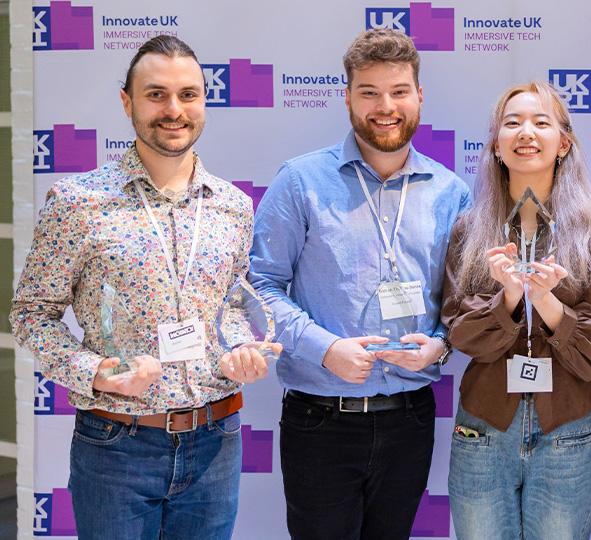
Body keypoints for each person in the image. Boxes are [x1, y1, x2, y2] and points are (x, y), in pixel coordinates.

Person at [10, 35, 274, 539]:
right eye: (156, 94)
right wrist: (95, 371)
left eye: (188, 95)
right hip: (117, 443)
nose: (174, 110)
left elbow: (233, 305)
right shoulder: (77, 203)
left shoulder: (234, 205)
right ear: (127, 102)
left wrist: (240, 345)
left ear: (204, 101)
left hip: (216, 441)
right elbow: (30, 316)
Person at [248, 29, 470, 540]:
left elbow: (464, 301)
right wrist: (325, 349)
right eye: (368, 92)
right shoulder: (300, 182)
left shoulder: (451, 193)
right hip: (319, 420)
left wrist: (439, 346)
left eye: (398, 91)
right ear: (347, 97)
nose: (384, 106)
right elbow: (259, 287)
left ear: (419, 97)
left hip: (411, 417)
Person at [440, 80, 591, 540]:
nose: (526, 132)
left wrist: (547, 301)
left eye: (541, 122)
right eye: (513, 123)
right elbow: (460, 333)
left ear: (564, 143)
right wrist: (506, 298)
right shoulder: (470, 227)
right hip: (483, 428)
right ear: (496, 146)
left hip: (569, 428)